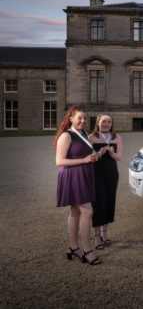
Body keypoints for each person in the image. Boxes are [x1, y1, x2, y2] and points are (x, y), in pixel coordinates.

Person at [54, 105, 101, 265]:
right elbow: (59, 161)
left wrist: (94, 156)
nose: (83, 121)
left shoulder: (83, 133)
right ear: (71, 119)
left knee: (75, 211)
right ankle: (87, 250)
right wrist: (85, 160)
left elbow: (83, 153)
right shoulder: (66, 136)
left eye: (85, 118)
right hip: (71, 175)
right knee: (87, 212)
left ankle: (73, 247)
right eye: (79, 118)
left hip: (83, 174)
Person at [89, 114, 122, 250]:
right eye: (103, 122)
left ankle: (104, 233)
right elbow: (88, 158)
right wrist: (99, 154)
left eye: (109, 122)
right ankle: (96, 236)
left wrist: (112, 154)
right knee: (98, 203)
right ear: (98, 123)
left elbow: (119, 157)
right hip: (96, 174)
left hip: (111, 174)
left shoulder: (116, 137)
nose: (106, 124)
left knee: (109, 202)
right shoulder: (91, 138)